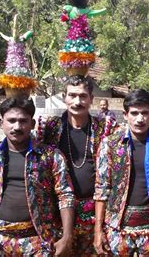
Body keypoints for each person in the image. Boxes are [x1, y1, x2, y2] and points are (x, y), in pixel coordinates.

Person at [35, 75, 116, 255]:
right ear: (64, 97)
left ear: (91, 99)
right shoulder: (50, 128)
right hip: (58, 216)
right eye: (72, 95)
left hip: (95, 214)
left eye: (83, 96)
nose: (77, 101)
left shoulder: (105, 128)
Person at [93, 89, 149, 256]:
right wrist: (98, 231)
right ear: (125, 115)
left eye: (144, 113)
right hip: (117, 228)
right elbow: (101, 189)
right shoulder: (109, 145)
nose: (140, 119)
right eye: (134, 113)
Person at [0, 98, 75, 256]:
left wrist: (67, 236)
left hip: (39, 240)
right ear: (1, 122)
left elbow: (65, 195)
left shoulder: (50, 156)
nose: (17, 127)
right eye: (11, 121)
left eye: (23, 121)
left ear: (32, 124)